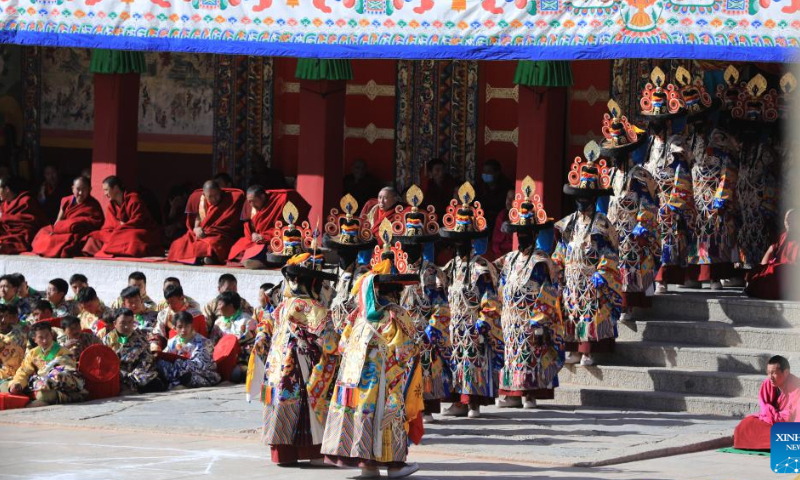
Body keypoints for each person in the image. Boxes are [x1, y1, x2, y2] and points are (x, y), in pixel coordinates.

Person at [321, 233, 421, 478]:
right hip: (384, 379)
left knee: (361, 414)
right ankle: (394, 465)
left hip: (355, 378)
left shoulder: (358, 316)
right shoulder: (396, 313)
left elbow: (343, 344)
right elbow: (407, 348)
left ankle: (368, 466)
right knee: (387, 417)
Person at [254, 252, 338, 465]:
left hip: (278, 363)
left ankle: (285, 453)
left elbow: (268, 326)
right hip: (301, 363)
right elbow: (328, 341)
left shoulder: (284, 305)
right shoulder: (312, 307)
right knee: (307, 403)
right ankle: (313, 452)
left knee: (281, 401)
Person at [495, 176, 563, 409]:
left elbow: (548, 293)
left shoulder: (540, 261)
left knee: (530, 354)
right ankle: (513, 393)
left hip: (530, 316)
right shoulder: (511, 258)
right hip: (510, 317)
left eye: (526, 233)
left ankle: (530, 394)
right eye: (519, 233)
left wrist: (541, 320)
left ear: (534, 234)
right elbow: (498, 277)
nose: (522, 237)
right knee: (512, 356)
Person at [553, 142, 623, 367]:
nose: (582, 202)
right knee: (571, 311)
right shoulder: (568, 223)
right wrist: (555, 265)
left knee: (590, 312)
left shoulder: (602, 223)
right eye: (579, 198)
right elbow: (561, 249)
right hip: (572, 278)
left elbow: (611, 253)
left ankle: (588, 350)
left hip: (592, 278)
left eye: (586, 198)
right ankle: (573, 348)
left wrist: (603, 271)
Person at [440, 182, 503, 419]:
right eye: (456, 241)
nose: (458, 246)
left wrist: (484, 320)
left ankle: (473, 403)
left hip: (473, 322)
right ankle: (459, 401)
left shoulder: (480, 267)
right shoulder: (450, 266)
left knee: (474, 361)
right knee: (455, 363)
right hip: (454, 323)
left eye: (462, 241)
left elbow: (489, 296)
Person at [393, 187, 452, 423]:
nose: (407, 250)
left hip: (423, 328)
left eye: (412, 246)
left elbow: (441, 307)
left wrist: (432, 330)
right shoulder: (398, 271)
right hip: (402, 329)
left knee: (425, 367)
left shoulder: (431, 273)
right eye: (405, 245)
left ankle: (425, 407)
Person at [601, 101, 659, 318]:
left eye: (618, 154)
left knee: (632, 265)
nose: (614, 158)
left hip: (634, 228)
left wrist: (642, 224)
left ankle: (631, 304)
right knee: (614, 267)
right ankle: (619, 304)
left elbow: (649, 202)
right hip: (615, 228)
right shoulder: (613, 175)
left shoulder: (640, 175)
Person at [640, 67, 694, 293]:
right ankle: (653, 278)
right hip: (652, 202)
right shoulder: (650, 146)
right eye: (654, 121)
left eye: (659, 121)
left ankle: (666, 278)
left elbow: (682, 175)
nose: (656, 126)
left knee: (671, 239)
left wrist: (673, 204)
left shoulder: (676, 145)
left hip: (669, 203)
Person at [323, 193, 376, 333]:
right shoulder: (330, 275)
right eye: (342, 250)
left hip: (354, 329)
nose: (344, 253)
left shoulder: (363, 276)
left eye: (348, 250)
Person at [228, 185, 311, 269]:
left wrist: (264, 236)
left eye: (254, 201)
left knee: (277, 247)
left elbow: (285, 226)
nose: (251, 204)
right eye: (249, 201)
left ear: (262, 197)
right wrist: (252, 234)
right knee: (239, 247)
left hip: (274, 237)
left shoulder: (280, 201)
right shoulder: (249, 205)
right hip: (256, 238)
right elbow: (247, 225)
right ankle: (256, 259)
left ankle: (261, 262)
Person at [7, 321, 87, 407]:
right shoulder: (33, 353)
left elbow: (67, 373)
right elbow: (24, 371)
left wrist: (46, 379)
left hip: (61, 388)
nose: (45, 340)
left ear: (51, 335)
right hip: (39, 385)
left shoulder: (62, 351)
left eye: (47, 336)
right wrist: (18, 384)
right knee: (7, 386)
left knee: (42, 394)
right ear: (35, 339)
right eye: (41, 337)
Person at [82, 176, 163, 258]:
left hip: (139, 230)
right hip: (119, 230)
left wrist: (124, 226)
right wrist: (119, 226)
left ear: (116, 188)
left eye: (106, 190)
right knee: (97, 235)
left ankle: (113, 249)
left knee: (133, 236)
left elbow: (139, 220)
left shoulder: (133, 199)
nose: (105, 193)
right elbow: (109, 225)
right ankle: (110, 249)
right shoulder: (111, 205)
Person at [168, 180, 246, 265]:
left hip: (219, 235)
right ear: (204, 195)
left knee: (213, 245)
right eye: (210, 196)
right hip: (202, 234)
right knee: (178, 244)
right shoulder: (202, 203)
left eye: (216, 195)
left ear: (220, 191)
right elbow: (197, 222)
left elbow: (230, 227)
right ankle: (203, 258)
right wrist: (196, 229)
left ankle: (201, 258)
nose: (214, 199)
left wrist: (209, 232)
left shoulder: (229, 200)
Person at [734, 355, 799, 450]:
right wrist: (774, 415)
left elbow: (794, 417)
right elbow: (765, 409)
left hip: (789, 425)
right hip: (772, 421)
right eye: (768, 373)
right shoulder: (767, 384)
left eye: (774, 373)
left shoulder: (796, 387)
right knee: (746, 424)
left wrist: (776, 416)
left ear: (786, 373)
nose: (770, 377)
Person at [31, 176, 104, 258]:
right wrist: (55, 230)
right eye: (78, 189)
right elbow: (59, 220)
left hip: (78, 232)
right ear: (73, 189)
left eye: (84, 189)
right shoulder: (66, 201)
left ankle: (52, 250)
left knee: (67, 240)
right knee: (44, 232)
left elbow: (96, 222)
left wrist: (74, 224)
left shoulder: (93, 205)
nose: (80, 193)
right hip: (64, 229)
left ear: (90, 190)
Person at [104, 308, 165, 394]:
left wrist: (133, 375)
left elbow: (147, 360)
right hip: (117, 374)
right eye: (123, 323)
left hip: (136, 374)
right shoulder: (107, 340)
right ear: (115, 324)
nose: (127, 326)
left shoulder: (140, 338)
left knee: (151, 381)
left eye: (130, 322)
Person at [156, 311, 221, 390]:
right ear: (175, 328)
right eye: (180, 327)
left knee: (188, 377)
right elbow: (165, 356)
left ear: (191, 326)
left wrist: (179, 363)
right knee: (160, 363)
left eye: (186, 326)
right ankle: (176, 383)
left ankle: (174, 383)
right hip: (179, 372)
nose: (183, 330)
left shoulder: (203, 342)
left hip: (202, 374)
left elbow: (201, 365)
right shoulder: (172, 342)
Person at [745, 209, 798, 300]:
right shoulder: (784, 236)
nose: (788, 222)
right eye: (786, 220)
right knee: (762, 269)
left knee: (775, 270)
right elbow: (773, 249)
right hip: (781, 266)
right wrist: (762, 267)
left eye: (791, 219)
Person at [212, 291, 256, 383]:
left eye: (220, 304)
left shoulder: (247, 320)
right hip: (222, 358)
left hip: (240, 357)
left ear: (230, 305)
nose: (218, 307)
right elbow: (213, 343)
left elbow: (252, 341)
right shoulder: (218, 323)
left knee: (236, 373)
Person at [0, 175, 48, 254]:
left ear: (7, 189)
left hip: (23, 235)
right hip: (7, 234)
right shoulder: (3, 204)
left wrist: (3, 217)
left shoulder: (26, 200)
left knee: (24, 235)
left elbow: (30, 221)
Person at [152, 284, 204, 351]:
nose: (170, 306)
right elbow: (158, 333)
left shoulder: (196, 315)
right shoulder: (163, 315)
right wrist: (156, 344)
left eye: (172, 302)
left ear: (182, 298)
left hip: (194, 349)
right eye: (168, 303)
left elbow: (203, 336)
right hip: (171, 349)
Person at [476, 159, 513, 238]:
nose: (486, 174)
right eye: (484, 171)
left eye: (489, 171)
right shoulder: (480, 185)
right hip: (483, 218)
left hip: (500, 218)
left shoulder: (506, 186)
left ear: (497, 172)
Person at [0, 305, 26, 390]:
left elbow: (28, 353)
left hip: (20, 372)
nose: (3, 320)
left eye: (6, 316)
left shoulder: (20, 332)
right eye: (0, 317)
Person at [490, 189, 516, 261]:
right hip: (501, 257)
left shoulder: (521, 217)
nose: (509, 201)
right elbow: (495, 241)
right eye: (508, 197)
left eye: (513, 198)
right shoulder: (502, 215)